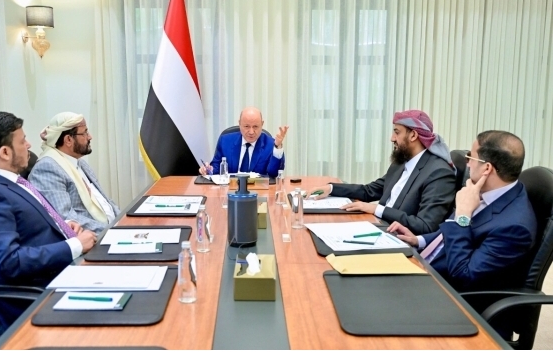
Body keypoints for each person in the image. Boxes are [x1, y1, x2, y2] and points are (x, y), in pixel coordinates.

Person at [0, 112, 97, 328]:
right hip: (40, 297)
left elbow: (30, 229)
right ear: (5, 152)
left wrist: (63, 228)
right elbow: (8, 263)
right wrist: (74, 245)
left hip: (67, 273)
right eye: (23, 141)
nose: (29, 145)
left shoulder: (11, 181)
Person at [389, 130, 536, 292]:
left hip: (444, 290)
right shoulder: (487, 190)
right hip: (424, 265)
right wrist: (419, 240)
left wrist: (462, 217)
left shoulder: (515, 228)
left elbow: (464, 275)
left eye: (470, 157)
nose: (468, 164)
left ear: (487, 168)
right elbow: (452, 236)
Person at [310, 110, 456, 235]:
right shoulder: (401, 162)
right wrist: (331, 188)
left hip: (399, 240)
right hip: (378, 227)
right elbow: (369, 191)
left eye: (397, 132)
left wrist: (376, 209)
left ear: (413, 135)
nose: (392, 138)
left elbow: (425, 225)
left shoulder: (439, 173)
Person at [29, 112, 120, 234]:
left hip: (113, 228)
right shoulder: (47, 169)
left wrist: (123, 220)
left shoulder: (79, 162)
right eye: (85, 133)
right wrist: (112, 231)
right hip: (94, 238)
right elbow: (66, 218)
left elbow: (105, 200)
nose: (90, 137)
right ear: (68, 140)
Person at [199, 106, 288, 178]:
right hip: (230, 190)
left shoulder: (271, 145)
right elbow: (216, 169)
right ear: (240, 124)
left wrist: (277, 146)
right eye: (246, 126)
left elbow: (274, 174)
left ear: (262, 124)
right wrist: (208, 170)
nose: (251, 132)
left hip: (258, 191)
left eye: (255, 127)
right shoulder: (225, 141)